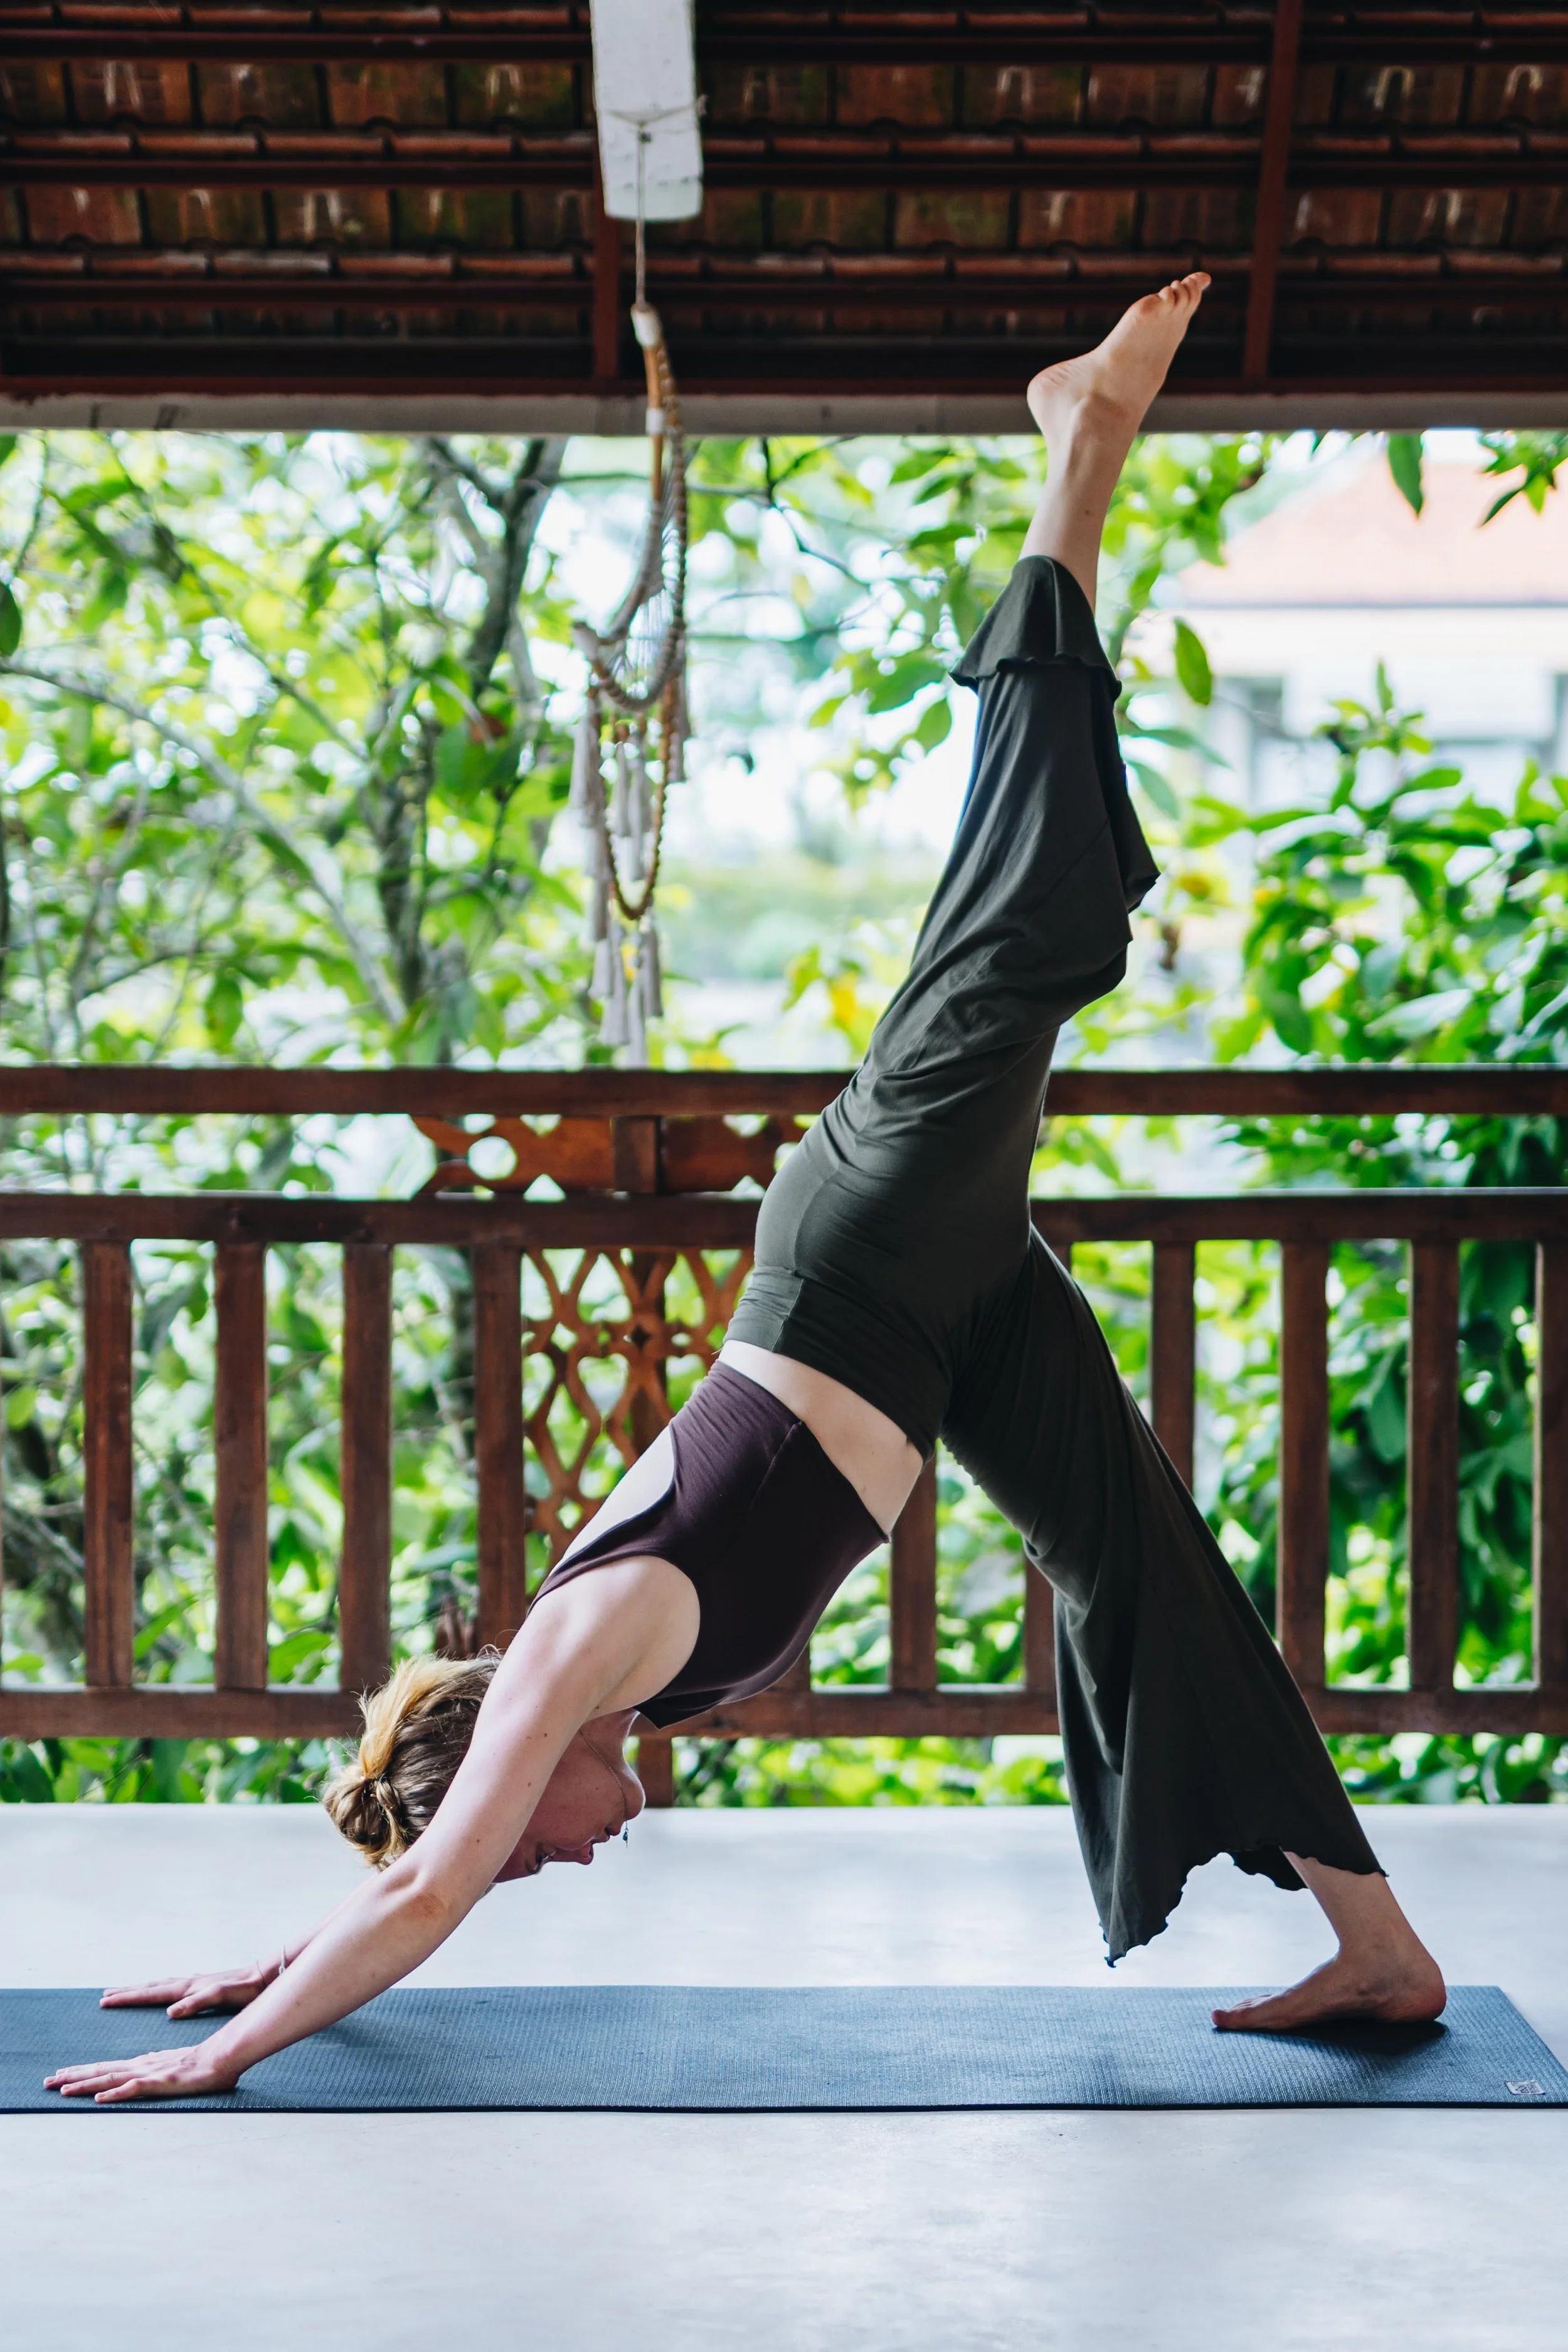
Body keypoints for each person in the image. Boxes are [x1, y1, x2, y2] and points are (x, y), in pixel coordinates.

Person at [45, 277, 1444, 2107]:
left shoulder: (580, 1643)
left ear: (504, 1752)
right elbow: (412, 1871)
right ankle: (1379, 1944)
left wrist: (229, 2049)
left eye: (529, 1837)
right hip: (937, 1342)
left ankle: (1076, 449)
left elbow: (424, 1878)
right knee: (1137, 1564)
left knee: (1022, 929)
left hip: (866, 1254)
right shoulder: (612, 1689)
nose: (564, 1855)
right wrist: (275, 1960)